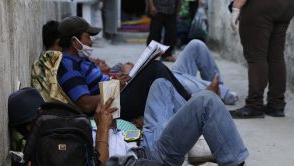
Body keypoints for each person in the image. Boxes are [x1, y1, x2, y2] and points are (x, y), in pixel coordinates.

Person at [95, 79, 282, 166]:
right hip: (150, 158)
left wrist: (109, 121)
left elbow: (114, 138)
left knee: (161, 85)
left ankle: (194, 136)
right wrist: (102, 129)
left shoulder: (75, 127)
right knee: (206, 101)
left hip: (143, 138)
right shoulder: (73, 146)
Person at [56, 16, 238, 122]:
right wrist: (115, 88)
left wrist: (117, 80)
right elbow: (85, 104)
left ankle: (200, 99)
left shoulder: (81, 60)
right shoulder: (68, 65)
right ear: (74, 41)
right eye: (88, 37)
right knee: (155, 69)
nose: (91, 42)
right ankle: (192, 102)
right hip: (113, 106)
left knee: (156, 72)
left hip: (117, 95)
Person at [229, 0, 294, 118]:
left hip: (261, 5)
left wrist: (236, 7)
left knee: (256, 57)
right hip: (287, 6)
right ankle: (276, 105)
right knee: (276, 56)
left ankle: (254, 105)